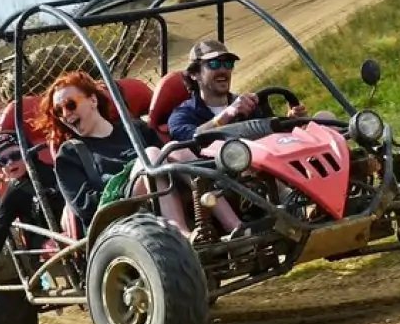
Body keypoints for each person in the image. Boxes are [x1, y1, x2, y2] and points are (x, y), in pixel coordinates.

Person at [33, 70, 246, 243]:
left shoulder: (134, 129)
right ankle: (180, 233)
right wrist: (121, 181)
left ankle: (235, 226)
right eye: (58, 111)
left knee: (174, 148)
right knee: (153, 154)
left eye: (70, 104)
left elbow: (169, 161)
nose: (66, 115)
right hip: (116, 212)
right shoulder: (70, 153)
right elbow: (84, 207)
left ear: (92, 100)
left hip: (162, 190)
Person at [167, 39, 335, 141]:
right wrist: (228, 114)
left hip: (271, 165)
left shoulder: (247, 104)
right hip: (228, 182)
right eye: (214, 64)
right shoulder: (183, 114)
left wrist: (291, 121)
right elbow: (193, 137)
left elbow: (271, 132)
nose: (223, 70)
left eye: (228, 64)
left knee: (325, 119)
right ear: (194, 74)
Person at [0, 131, 64, 295]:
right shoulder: (15, 192)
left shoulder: (55, 172)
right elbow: (1, 226)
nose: (10, 162)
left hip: (74, 233)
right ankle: (46, 282)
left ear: (28, 150)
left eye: (15, 155)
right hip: (43, 248)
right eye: (3, 160)